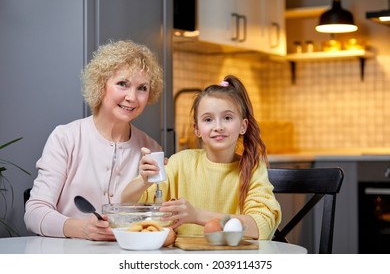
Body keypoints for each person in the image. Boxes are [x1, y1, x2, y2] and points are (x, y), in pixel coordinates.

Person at [24, 40, 164, 241]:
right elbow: (34, 212)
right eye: (122, 84)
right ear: (101, 84)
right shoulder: (66, 138)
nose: (132, 97)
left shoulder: (151, 149)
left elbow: (154, 218)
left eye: (142, 88)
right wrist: (81, 228)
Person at [121, 75, 281, 240]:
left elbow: (262, 226)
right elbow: (126, 204)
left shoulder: (253, 168)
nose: (218, 127)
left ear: (243, 126)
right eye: (208, 119)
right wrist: (144, 181)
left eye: (227, 118)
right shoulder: (180, 163)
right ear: (196, 129)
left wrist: (197, 215)